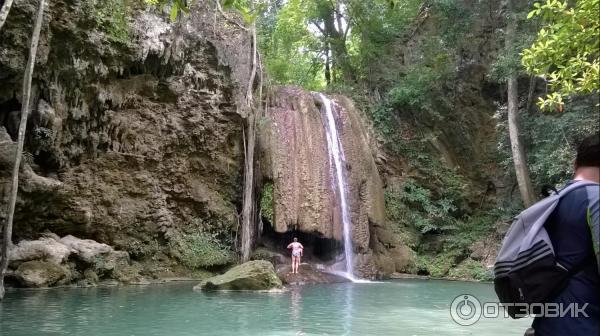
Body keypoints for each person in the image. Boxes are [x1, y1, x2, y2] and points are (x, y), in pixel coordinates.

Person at [530, 133, 599, 336]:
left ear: (575, 163)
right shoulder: (596, 199)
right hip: (586, 324)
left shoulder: (554, 199)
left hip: (548, 322)